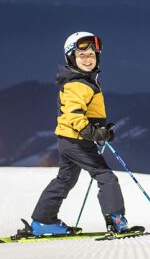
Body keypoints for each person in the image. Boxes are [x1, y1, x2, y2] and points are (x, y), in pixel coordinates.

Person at [29, 31, 139, 236]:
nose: (88, 59)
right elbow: (73, 115)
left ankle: (43, 221)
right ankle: (116, 220)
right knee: (106, 177)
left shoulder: (83, 81)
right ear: (71, 57)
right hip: (77, 141)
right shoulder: (77, 84)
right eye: (82, 55)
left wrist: (101, 131)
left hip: (70, 140)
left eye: (91, 55)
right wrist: (93, 133)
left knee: (65, 179)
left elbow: (86, 114)